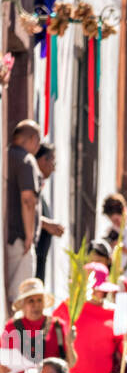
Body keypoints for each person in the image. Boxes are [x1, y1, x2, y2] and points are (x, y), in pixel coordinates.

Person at [1, 277, 70, 373]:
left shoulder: (57, 326)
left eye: (39, 300)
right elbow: (2, 363)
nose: (35, 305)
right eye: (30, 301)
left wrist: (71, 343)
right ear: (23, 304)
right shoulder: (11, 327)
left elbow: (69, 363)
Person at [5, 119, 41, 316]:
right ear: (32, 139)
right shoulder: (26, 160)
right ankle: (22, 346)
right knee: (25, 298)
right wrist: (29, 236)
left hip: (9, 233)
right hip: (20, 238)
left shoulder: (6, 155)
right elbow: (28, 199)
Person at [34, 142, 64, 283]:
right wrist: (46, 224)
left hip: (40, 258)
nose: (54, 168)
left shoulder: (38, 186)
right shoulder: (29, 184)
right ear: (42, 160)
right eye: (53, 161)